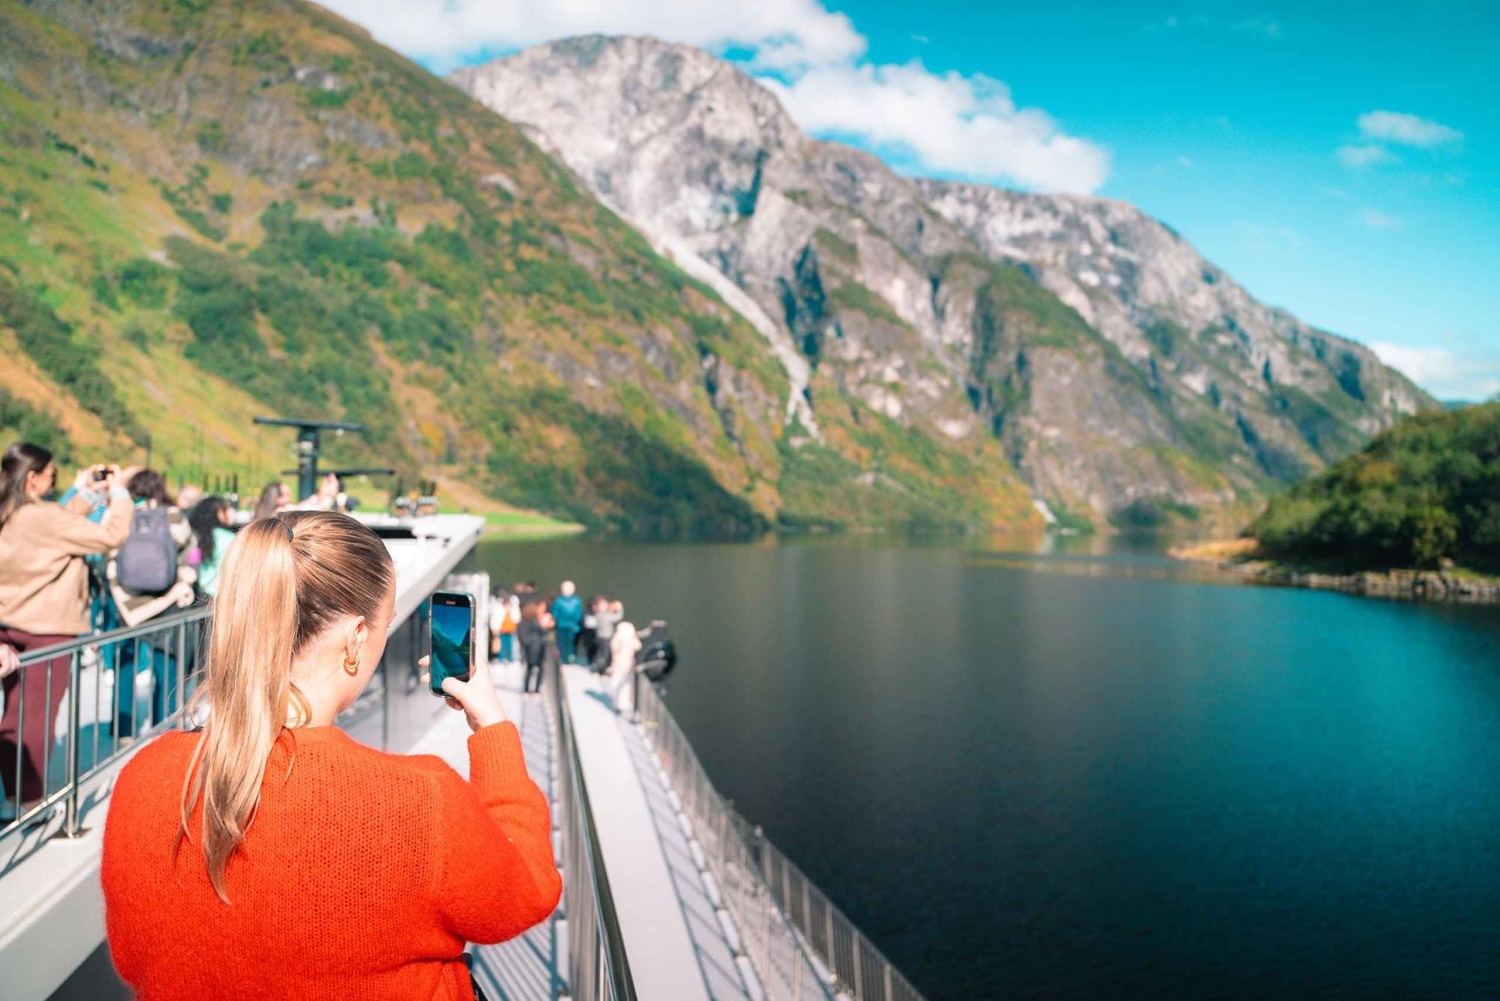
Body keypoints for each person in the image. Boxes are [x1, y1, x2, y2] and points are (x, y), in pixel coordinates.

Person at [101, 511, 560, 999]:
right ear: (357, 637)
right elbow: (526, 887)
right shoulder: (422, 802)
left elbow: (133, 958)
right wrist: (492, 728)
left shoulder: (143, 777)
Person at [0, 444, 135, 806]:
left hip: (7, 623)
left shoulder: (11, 511)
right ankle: (28, 802)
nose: (53, 480)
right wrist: (119, 494)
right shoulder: (44, 517)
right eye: (52, 475)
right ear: (33, 478)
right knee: (38, 715)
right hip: (47, 626)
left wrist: (87, 493)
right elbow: (110, 536)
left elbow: (54, 525)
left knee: (13, 711)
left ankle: (12, 790)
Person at [188, 496, 236, 598]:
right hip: (223, 595)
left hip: (199, 593)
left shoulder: (195, 537)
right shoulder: (229, 538)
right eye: (225, 509)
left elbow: (193, 563)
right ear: (219, 514)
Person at [608, 620, 643, 717]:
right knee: (618, 684)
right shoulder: (621, 639)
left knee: (625, 685)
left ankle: (622, 703)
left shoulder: (626, 639)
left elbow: (638, 646)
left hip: (627, 665)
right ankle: (617, 702)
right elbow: (615, 647)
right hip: (620, 665)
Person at [517, 601, 547, 694]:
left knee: (529, 669)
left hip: (528, 650)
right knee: (539, 669)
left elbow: (522, 638)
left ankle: (526, 688)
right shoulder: (535, 623)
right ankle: (537, 689)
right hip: (537, 649)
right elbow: (543, 634)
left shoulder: (521, 623)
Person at [550, 581, 583, 665]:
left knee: (562, 643)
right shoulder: (576, 601)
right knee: (571, 643)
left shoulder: (558, 601)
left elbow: (555, 613)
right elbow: (579, 614)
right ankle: (570, 658)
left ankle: (563, 659)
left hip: (562, 625)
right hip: (572, 626)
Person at [593, 597, 623, 673]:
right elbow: (617, 617)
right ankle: (601, 670)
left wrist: (611, 608)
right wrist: (620, 608)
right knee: (605, 655)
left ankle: (598, 667)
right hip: (606, 638)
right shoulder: (605, 616)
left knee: (600, 653)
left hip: (600, 637)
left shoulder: (598, 615)